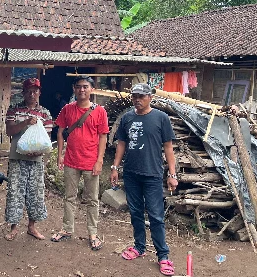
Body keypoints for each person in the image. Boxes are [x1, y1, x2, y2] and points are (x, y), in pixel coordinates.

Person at [110, 83, 178, 276]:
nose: (137, 100)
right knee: (136, 213)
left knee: (156, 216)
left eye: (141, 96)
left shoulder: (160, 118)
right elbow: (122, 143)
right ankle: (139, 247)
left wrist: (172, 174)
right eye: (134, 97)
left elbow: (168, 147)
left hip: (153, 174)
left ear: (150, 97)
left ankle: (163, 255)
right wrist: (115, 168)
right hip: (131, 173)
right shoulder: (127, 118)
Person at [51, 76, 108, 251]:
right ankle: (67, 229)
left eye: (85, 87)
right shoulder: (67, 109)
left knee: (92, 199)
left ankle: (92, 233)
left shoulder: (100, 112)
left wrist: (99, 161)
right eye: (78, 87)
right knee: (69, 196)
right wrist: (60, 154)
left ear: (92, 89)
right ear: (74, 89)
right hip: (71, 159)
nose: (81, 90)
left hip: (91, 161)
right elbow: (60, 132)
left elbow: (103, 137)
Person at [4, 78, 53, 241]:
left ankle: (32, 227)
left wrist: (38, 152)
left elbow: (47, 139)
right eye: (29, 91)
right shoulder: (14, 109)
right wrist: (25, 122)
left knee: (35, 194)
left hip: (36, 160)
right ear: (23, 93)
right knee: (15, 192)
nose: (32, 94)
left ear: (40, 92)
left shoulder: (45, 113)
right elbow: (9, 131)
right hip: (17, 158)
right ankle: (14, 227)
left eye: (35, 91)